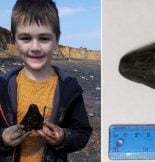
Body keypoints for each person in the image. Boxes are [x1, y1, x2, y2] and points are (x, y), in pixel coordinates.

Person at [0, 0, 92, 161]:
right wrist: (3, 138)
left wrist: (63, 137)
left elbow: (82, 133)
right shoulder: (2, 86)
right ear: (14, 40)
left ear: (57, 40)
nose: (35, 47)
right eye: (25, 38)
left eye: (44, 38)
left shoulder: (69, 88)